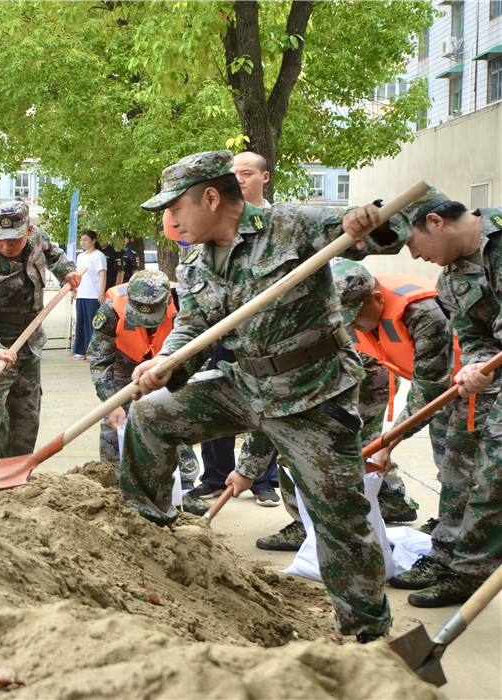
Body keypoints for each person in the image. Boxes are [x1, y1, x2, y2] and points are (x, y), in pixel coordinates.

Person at [123, 150, 398, 643]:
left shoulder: (291, 224)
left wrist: (369, 222)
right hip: (243, 385)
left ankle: (365, 632)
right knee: (149, 414)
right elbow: (192, 325)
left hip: (310, 395)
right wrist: (166, 362)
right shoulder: (194, 262)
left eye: (175, 207)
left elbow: (381, 231)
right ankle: (147, 533)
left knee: (340, 515)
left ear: (210, 198)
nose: (171, 220)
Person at [255, 260, 454, 552]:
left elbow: (428, 391)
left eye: (355, 316)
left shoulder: (423, 313)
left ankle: (453, 549)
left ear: (376, 298)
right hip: (430, 384)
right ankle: (442, 526)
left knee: (458, 466)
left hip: (467, 386)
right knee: (443, 464)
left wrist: (390, 443)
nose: (351, 325)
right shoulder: (346, 312)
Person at [382, 189, 502, 607]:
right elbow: (476, 340)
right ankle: (452, 562)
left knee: (494, 476)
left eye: (412, 244)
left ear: (434, 222)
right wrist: (477, 367)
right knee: (463, 468)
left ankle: (467, 569)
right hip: (493, 386)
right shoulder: (449, 280)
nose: (414, 257)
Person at [185, 151, 280, 513]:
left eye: (248, 172)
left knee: (267, 407)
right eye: (233, 173)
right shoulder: (217, 222)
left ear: (265, 177)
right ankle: (214, 476)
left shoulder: (279, 223)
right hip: (224, 332)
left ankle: (263, 479)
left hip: (268, 336)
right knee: (216, 398)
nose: (240, 179)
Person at [0, 198, 82, 461]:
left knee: (25, 422)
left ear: (27, 230)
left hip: (29, 346)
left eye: (13, 239)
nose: (6, 245)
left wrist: (66, 271)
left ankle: (13, 482)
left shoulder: (37, 237)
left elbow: (53, 253)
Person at [87, 269, 199, 487]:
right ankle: (114, 486)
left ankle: (184, 486)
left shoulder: (185, 301)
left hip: (171, 367)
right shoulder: (112, 307)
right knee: (113, 424)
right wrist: (111, 402)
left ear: (167, 300)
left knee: (177, 419)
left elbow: (199, 351)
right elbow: (99, 359)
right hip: (124, 367)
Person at [73, 231, 108, 360]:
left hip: (93, 295)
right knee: (81, 323)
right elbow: (77, 274)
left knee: (92, 324)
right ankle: (81, 350)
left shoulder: (99, 256)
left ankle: (93, 351)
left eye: (86, 240)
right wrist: (74, 291)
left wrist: (101, 292)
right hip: (82, 293)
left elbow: (102, 275)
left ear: (94, 240)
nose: (83, 242)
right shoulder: (80, 256)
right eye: (81, 240)